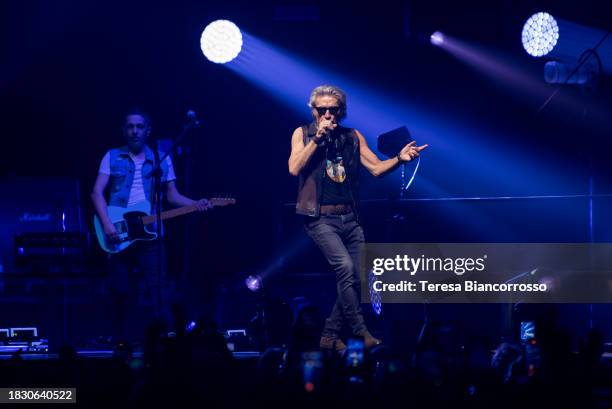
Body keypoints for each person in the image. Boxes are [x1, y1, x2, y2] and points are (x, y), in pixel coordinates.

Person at [288, 85, 428, 351]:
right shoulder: (302, 133)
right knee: (346, 269)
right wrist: (317, 139)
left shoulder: (352, 136)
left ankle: (329, 336)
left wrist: (399, 159)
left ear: (341, 111)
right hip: (319, 218)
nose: (327, 115)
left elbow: (375, 168)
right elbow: (294, 167)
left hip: (350, 218)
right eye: (322, 110)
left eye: (333, 109)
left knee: (356, 276)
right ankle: (360, 331)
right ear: (314, 111)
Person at [91, 109, 211, 342]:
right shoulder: (112, 156)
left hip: (151, 233)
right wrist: (107, 225)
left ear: (148, 131)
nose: (134, 131)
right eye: (130, 126)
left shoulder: (159, 158)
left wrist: (197, 203)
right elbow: (96, 192)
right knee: (120, 290)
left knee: (158, 291)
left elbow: (172, 196)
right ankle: (119, 343)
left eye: (139, 126)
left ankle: (162, 343)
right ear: (124, 130)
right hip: (118, 230)